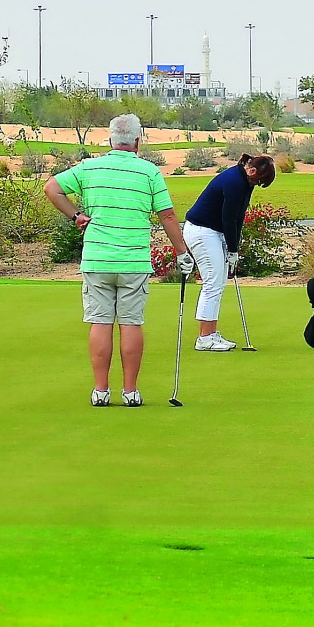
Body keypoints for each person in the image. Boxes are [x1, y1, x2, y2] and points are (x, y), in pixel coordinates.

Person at [43, 114, 195, 407]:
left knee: (100, 322)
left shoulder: (90, 167)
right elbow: (167, 216)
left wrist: (76, 216)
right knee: (130, 323)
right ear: (138, 141)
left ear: (110, 140)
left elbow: (52, 188)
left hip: (98, 260)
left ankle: (101, 391)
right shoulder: (149, 172)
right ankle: (130, 392)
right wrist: (181, 253)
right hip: (133, 262)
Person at [182, 153, 276, 351]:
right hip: (201, 231)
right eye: (257, 180)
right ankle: (204, 338)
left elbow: (238, 217)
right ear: (252, 170)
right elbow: (228, 220)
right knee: (213, 282)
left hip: (213, 232)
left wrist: (234, 247)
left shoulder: (245, 182)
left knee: (218, 282)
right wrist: (231, 249)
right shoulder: (234, 182)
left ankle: (211, 334)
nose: (256, 185)